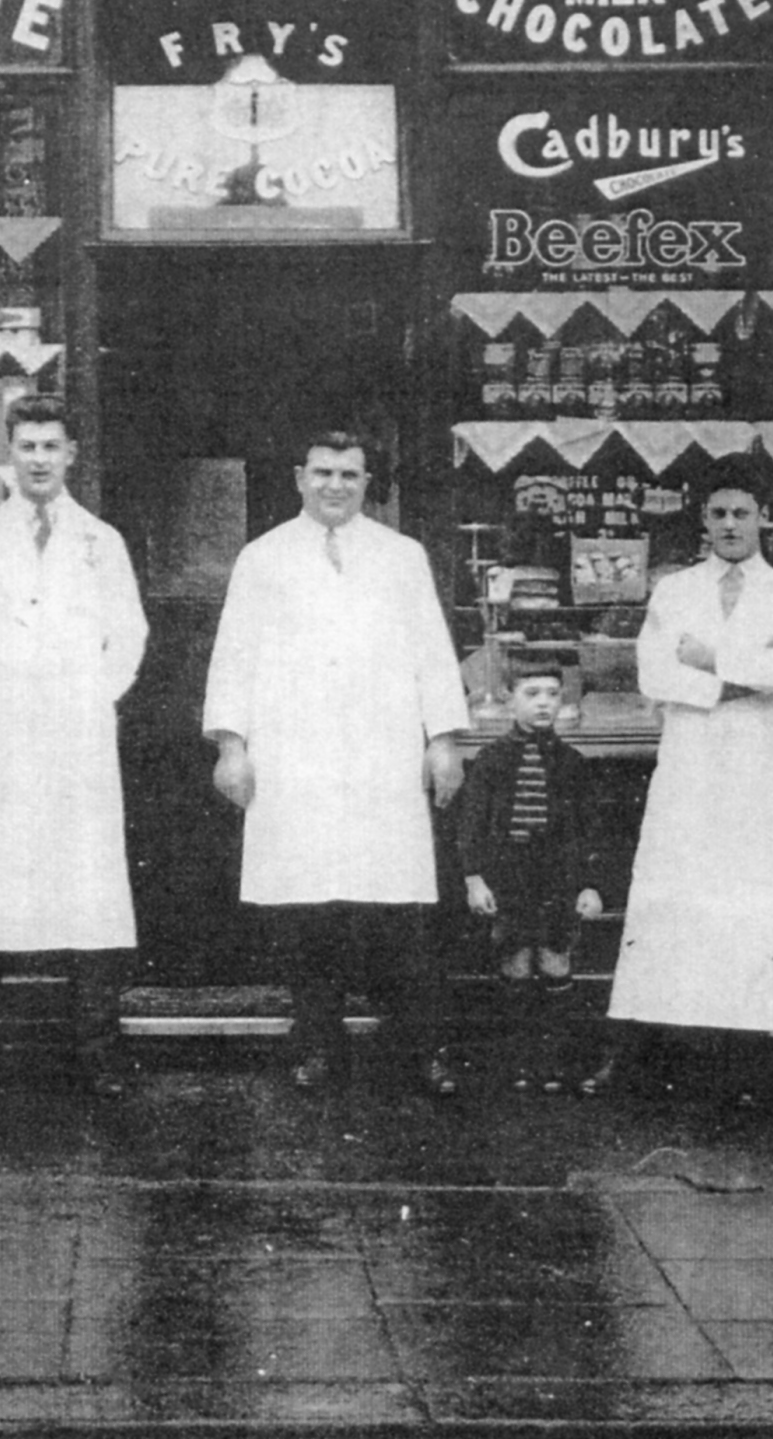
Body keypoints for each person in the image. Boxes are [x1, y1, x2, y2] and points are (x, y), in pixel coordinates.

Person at [202, 423, 470, 1097]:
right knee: (308, 913)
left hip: (383, 758)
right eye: (323, 472)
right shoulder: (262, 558)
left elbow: (432, 653)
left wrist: (442, 740)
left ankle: (423, 1050)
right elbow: (234, 655)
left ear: (367, 484)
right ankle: (317, 1046)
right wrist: (232, 746)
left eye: (349, 475)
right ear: (299, 478)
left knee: (400, 912)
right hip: (298, 759)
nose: (335, 486)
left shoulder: (402, 556)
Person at [0, 395, 148, 1104]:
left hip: (77, 737)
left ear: (71, 455)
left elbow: (130, 635)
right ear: (8, 454)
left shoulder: (102, 541)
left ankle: (98, 1055)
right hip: (3, 736)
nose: (37, 459)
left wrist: (90, 697)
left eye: (51, 447)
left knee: (87, 892)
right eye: (26, 446)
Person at [588, 458, 773, 1106]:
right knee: (680, 894)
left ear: (762, 519)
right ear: (703, 519)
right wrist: (745, 677)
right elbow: (656, 676)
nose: (729, 525)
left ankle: (749, 1065)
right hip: (690, 761)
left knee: (751, 895)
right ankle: (673, 1057)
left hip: (757, 763)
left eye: (741, 513)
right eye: (717, 513)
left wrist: (711, 659)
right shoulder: (675, 591)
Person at [455, 656, 606, 1093]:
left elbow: (588, 830)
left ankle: (558, 1061)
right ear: (509, 701)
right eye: (531, 694)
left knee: (555, 961)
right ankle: (518, 1062)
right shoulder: (492, 760)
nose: (543, 704)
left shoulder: (572, 763)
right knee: (516, 961)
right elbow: (471, 825)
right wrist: (474, 878)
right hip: (510, 876)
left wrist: (591, 884)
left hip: (556, 878)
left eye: (553, 695)